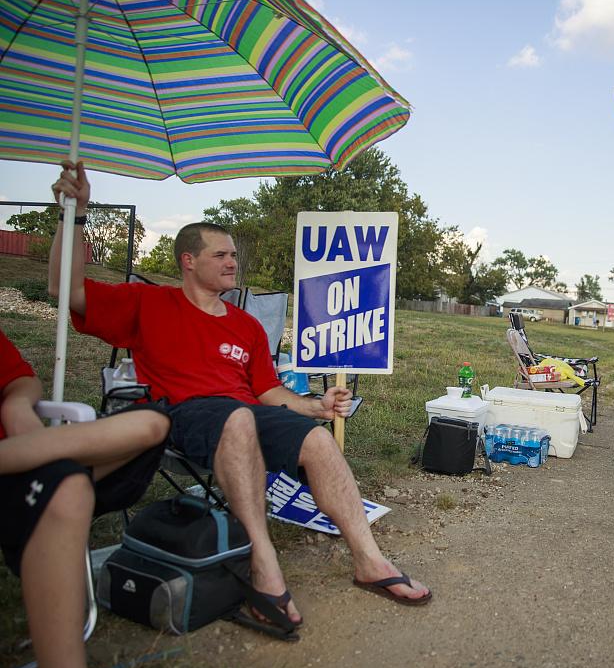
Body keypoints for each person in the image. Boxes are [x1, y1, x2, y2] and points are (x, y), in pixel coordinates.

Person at [48, 161, 431, 627]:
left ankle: (370, 561)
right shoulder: (148, 303)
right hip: (184, 415)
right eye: (221, 255)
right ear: (188, 260)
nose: (233, 262)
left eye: (234, 255)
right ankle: (263, 566)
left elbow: (267, 390)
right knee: (238, 419)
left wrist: (316, 406)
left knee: (317, 441)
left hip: (245, 412)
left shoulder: (246, 326)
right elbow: (66, 291)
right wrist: (75, 214)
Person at [1, 327, 170, 668]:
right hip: (31, 477)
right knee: (67, 487)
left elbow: (20, 378)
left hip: (23, 463)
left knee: (152, 422)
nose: (231, 266)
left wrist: (16, 404)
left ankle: (34, 464)